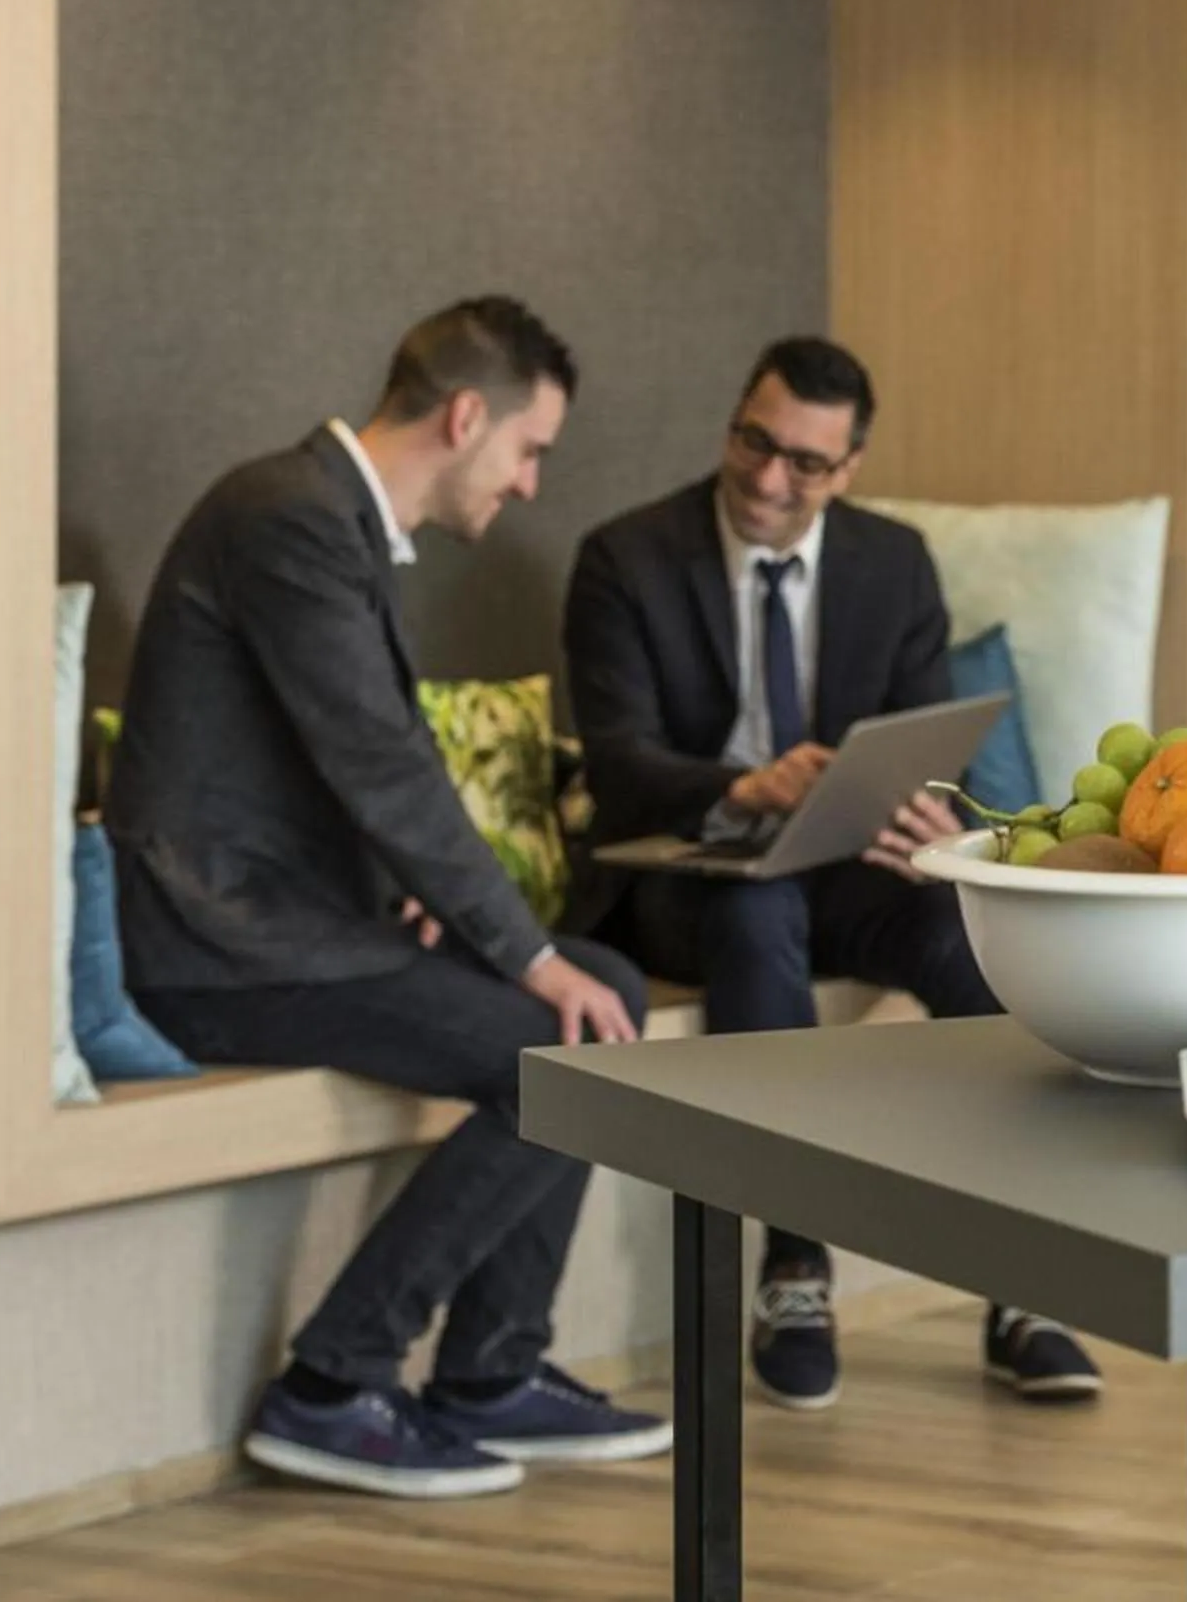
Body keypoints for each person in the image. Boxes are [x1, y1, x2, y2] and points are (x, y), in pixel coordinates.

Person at [114, 296, 669, 1498]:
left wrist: (416, 901)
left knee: (609, 994)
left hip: (303, 925)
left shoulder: (324, 523)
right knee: (562, 1047)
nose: (527, 485)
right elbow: (379, 765)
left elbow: (329, 766)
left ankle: (490, 1372)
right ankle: (332, 1384)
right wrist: (522, 952)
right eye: (529, 450)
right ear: (468, 416)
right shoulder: (287, 520)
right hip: (222, 951)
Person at [563, 335, 1101, 1408]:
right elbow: (618, 766)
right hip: (685, 870)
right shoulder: (624, 555)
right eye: (754, 443)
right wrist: (746, 787)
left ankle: (1026, 1271)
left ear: (848, 466)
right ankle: (794, 1267)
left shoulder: (892, 561)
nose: (769, 479)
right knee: (757, 925)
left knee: (965, 936)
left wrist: (920, 812)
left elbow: (917, 733)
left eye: (804, 464)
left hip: (845, 860)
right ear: (735, 422)